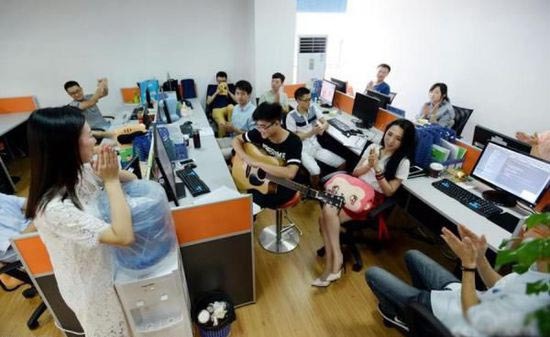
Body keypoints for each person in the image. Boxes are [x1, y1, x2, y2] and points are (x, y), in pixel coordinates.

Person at [25, 106, 137, 336]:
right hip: (91, 289)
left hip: (111, 269)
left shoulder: (80, 172)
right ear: (67, 148)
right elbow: (123, 236)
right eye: (88, 136)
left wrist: (108, 167)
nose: (94, 139)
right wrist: (111, 180)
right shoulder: (54, 209)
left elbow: (133, 179)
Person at [365, 222, 550, 337]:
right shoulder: (540, 267)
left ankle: (409, 317)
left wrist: (468, 266)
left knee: (372, 274)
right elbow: (499, 285)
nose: (524, 232)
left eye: (533, 229)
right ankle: (419, 313)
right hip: (464, 298)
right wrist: (479, 257)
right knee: (412, 255)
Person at [313, 119, 416, 287]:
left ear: (404, 142)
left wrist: (378, 170)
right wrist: (369, 164)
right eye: (389, 134)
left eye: (398, 139)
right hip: (352, 190)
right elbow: (355, 173)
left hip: (372, 199)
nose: (390, 140)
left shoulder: (403, 162)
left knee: (325, 217)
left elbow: (389, 191)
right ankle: (335, 259)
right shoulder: (373, 148)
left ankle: (334, 262)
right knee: (325, 217)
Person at [232, 102, 303, 209]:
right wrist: (245, 157)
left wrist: (258, 164)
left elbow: (290, 173)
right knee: (243, 194)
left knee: (250, 201)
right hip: (263, 176)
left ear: (277, 123)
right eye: (258, 126)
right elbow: (236, 140)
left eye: (264, 126)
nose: (260, 130)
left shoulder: (293, 142)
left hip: (284, 184)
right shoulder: (260, 132)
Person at [286, 87, 345, 189]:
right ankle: (315, 189)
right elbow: (295, 138)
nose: (309, 102)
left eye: (310, 99)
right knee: (315, 171)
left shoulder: (313, 108)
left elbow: (325, 122)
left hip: (316, 146)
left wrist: (322, 128)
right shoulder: (291, 116)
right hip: (302, 150)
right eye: (306, 100)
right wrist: (311, 132)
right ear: (298, 100)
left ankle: (336, 184)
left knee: (342, 163)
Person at [217, 80, 256, 159]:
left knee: (217, 154)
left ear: (249, 95)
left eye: (243, 94)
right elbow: (232, 128)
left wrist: (234, 129)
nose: (239, 96)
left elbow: (253, 137)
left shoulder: (254, 112)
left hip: (244, 145)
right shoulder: (235, 108)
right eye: (237, 93)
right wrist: (226, 127)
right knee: (213, 144)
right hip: (233, 139)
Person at [206, 71, 237, 137]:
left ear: (226, 80)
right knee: (222, 124)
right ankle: (222, 139)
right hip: (216, 109)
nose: (221, 83)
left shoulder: (230, 87)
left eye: (223, 81)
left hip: (227, 108)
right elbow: (208, 102)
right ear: (217, 80)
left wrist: (228, 91)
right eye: (219, 81)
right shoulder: (212, 88)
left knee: (231, 106)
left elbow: (237, 101)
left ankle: (230, 125)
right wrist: (216, 92)